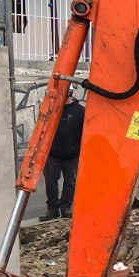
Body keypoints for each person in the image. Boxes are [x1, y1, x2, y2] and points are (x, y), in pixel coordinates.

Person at [43, 90, 84, 220]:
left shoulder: (80, 111)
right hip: (52, 154)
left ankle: (66, 208)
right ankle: (52, 209)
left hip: (72, 155)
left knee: (70, 182)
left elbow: (85, 132)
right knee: (51, 181)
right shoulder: (52, 109)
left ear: (70, 93)